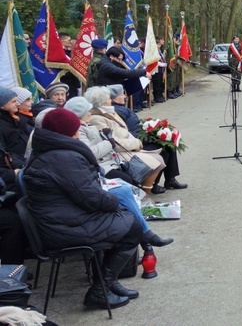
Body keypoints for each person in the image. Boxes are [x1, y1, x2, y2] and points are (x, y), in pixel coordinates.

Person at [24, 107, 143, 309]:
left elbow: (85, 193)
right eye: (76, 128)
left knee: (121, 219)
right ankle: (100, 289)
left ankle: (108, 282)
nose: (79, 132)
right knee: (133, 228)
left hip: (63, 219)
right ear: (69, 132)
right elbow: (90, 197)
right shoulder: (63, 157)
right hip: (64, 227)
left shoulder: (49, 150)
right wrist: (115, 203)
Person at [63, 97, 174, 249]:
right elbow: (90, 153)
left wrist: (108, 138)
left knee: (132, 182)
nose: (90, 111)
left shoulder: (87, 125)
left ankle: (146, 234)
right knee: (126, 187)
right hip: (103, 168)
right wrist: (108, 142)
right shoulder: (80, 129)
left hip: (107, 164)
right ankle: (146, 235)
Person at [84, 86, 166, 193]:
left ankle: (148, 189)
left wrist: (136, 142)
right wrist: (136, 143)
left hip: (127, 146)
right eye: (109, 98)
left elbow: (125, 131)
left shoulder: (108, 112)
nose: (111, 100)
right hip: (119, 152)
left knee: (160, 158)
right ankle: (145, 193)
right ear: (103, 103)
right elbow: (113, 141)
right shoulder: (96, 118)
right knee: (156, 162)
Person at [109, 85, 187, 192]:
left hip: (139, 136)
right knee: (163, 149)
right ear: (113, 99)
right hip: (135, 142)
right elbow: (124, 132)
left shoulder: (121, 108)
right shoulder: (117, 111)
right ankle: (153, 184)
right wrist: (149, 136)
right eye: (121, 94)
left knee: (169, 143)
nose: (124, 96)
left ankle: (170, 179)